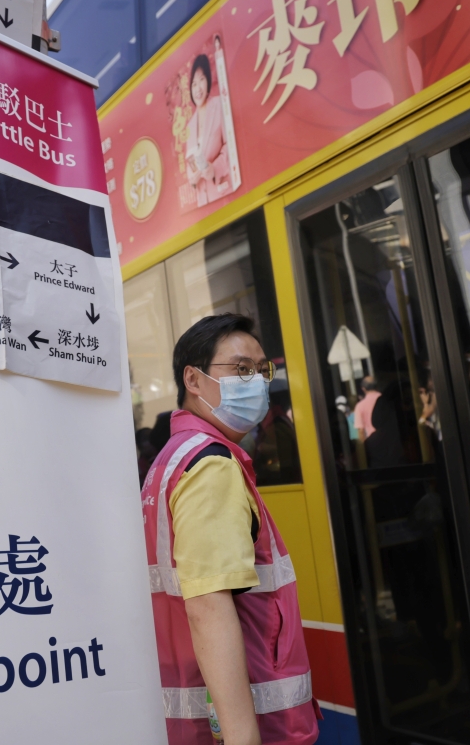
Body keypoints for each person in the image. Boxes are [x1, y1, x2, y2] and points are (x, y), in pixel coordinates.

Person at [141, 314, 319, 745]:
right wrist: (242, 737)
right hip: (254, 725)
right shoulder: (211, 466)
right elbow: (208, 606)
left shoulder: (171, 458)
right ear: (194, 380)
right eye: (240, 369)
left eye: (261, 369)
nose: (256, 382)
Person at [185, 53, 231, 207]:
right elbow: (190, 161)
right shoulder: (190, 126)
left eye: (201, 80)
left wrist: (214, 169)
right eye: (194, 84)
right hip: (203, 204)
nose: (198, 88)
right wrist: (192, 178)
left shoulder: (219, 105)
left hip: (224, 196)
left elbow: (230, 145)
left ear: (208, 81)